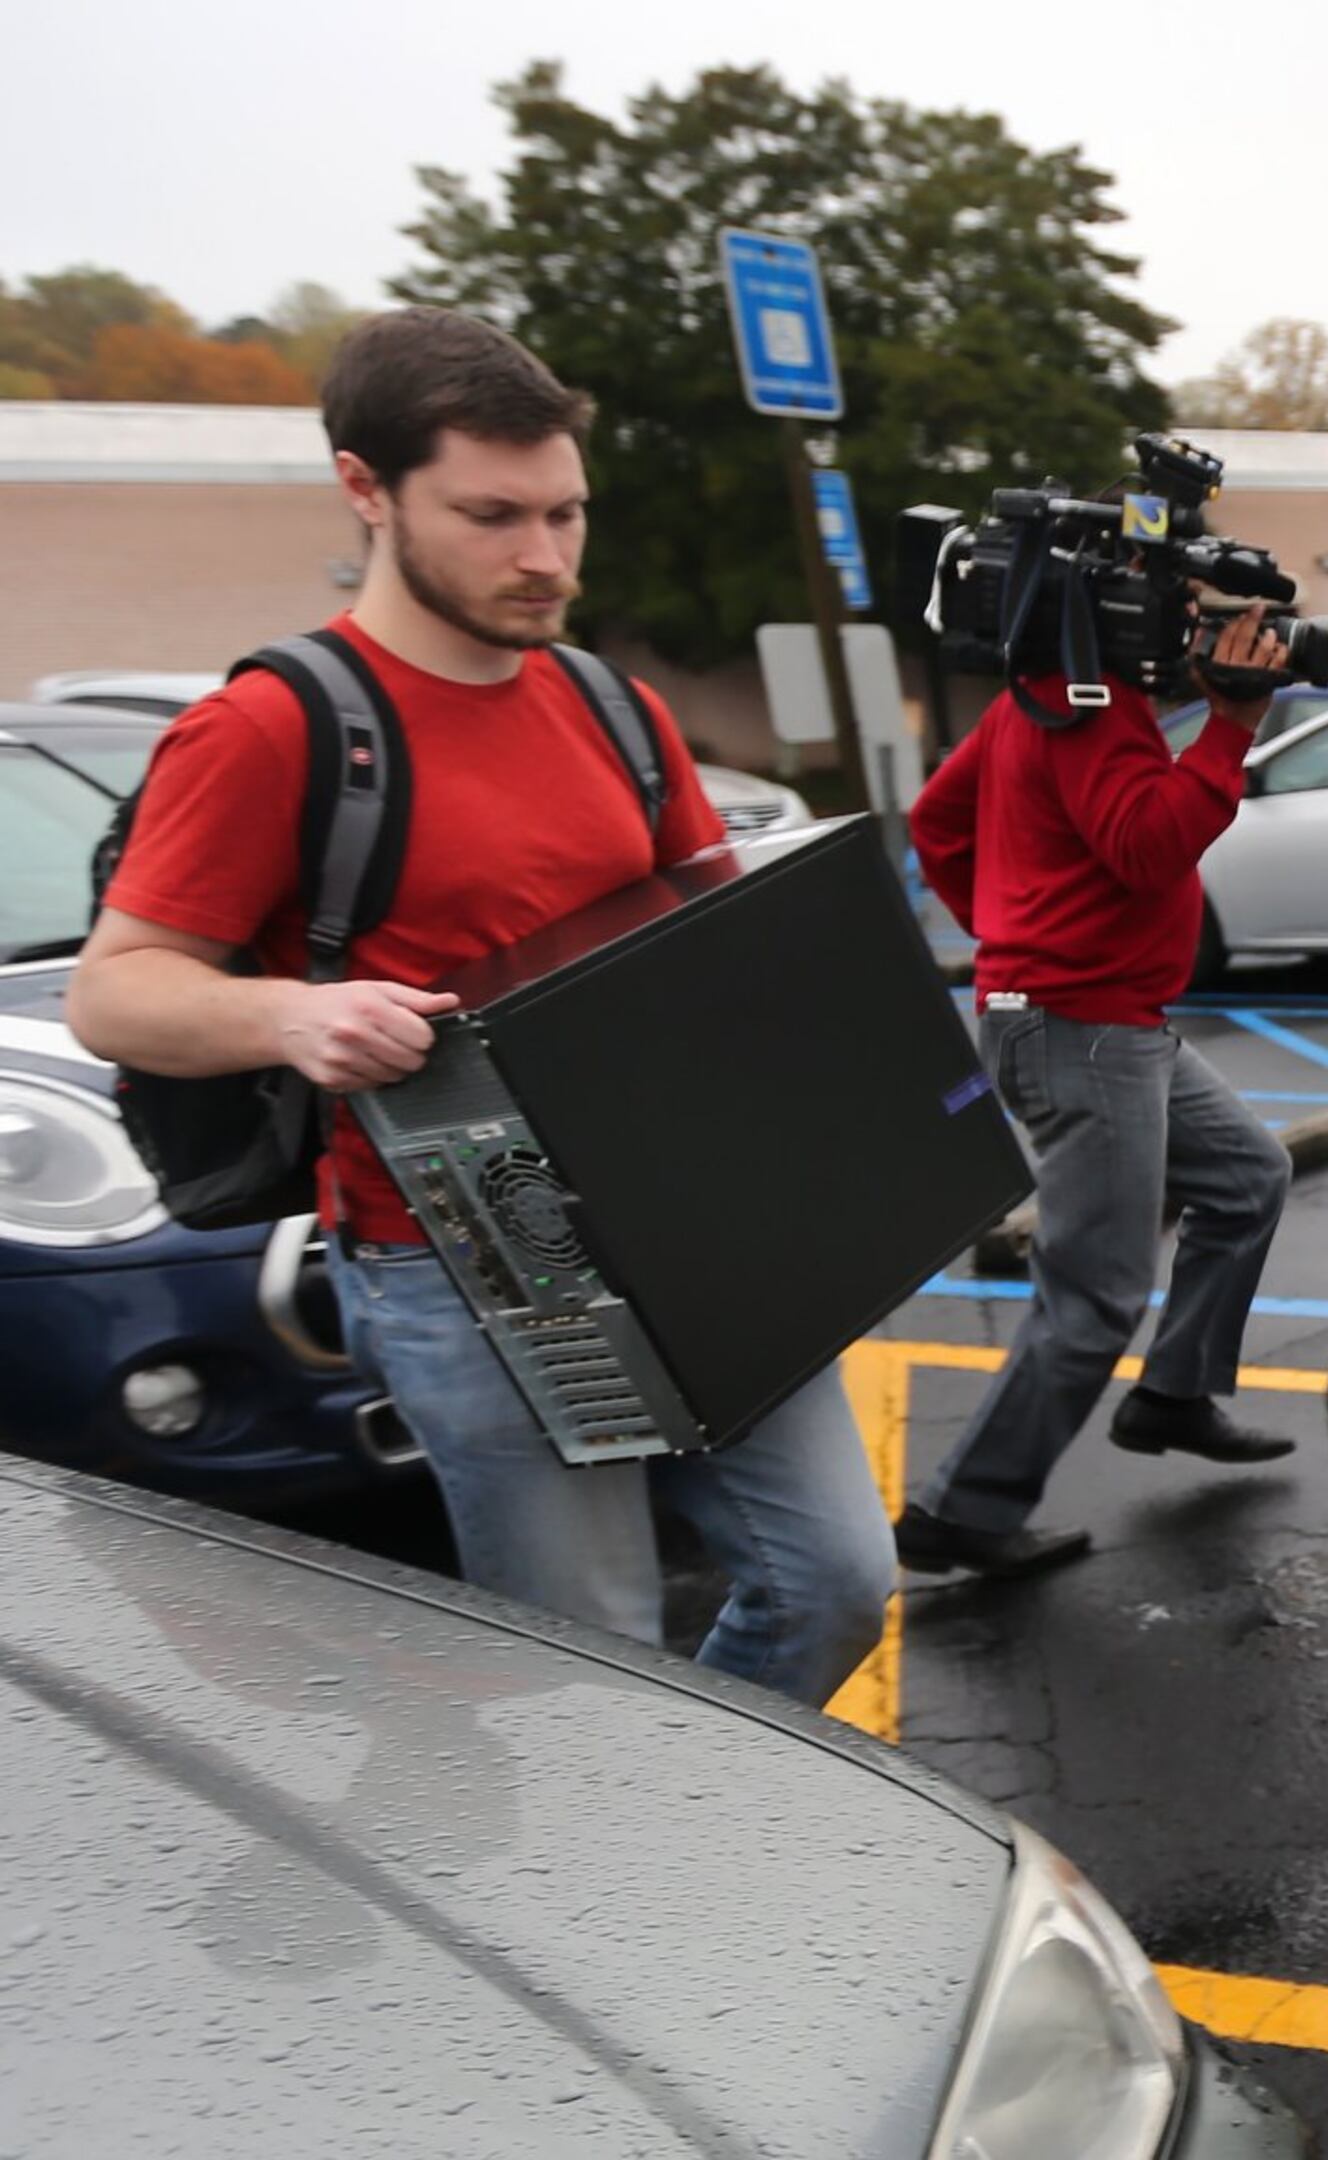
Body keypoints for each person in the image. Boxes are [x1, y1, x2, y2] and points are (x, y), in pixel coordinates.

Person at [68, 309, 891, 1704]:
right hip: (465, 1265)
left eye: (566, 513)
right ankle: (618, 1891)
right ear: (366, 489)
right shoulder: (278, 725)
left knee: (835, 1581)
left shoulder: (609, 704)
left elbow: (705, 940)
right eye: (493, 515)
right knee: (586, 1663)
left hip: (687, 1228)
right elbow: (116, 992)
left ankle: (702, 1818)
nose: (545, 558)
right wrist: (294, 1021)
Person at [893, 601, 1308, 1578]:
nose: (1195, 625)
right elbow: (1148, 845)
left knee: (1250, 1177)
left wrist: (1014, 931)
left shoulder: (1035, 704)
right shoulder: (1087, 706)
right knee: (1095, 1300)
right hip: (1081, 1028)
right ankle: (964, 1510)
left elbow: (935, 822)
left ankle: (1173, 1396)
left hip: (1106, 1016)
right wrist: (1233, 729)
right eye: (1183, 604)